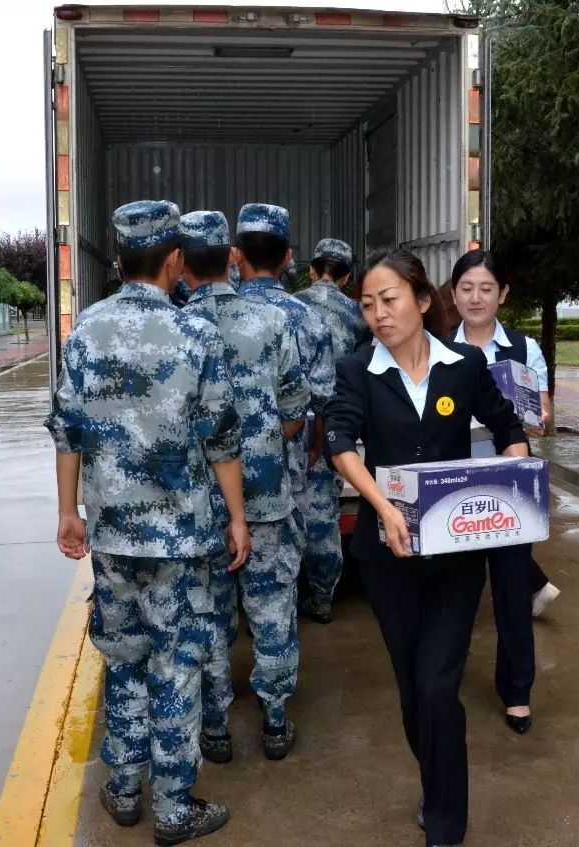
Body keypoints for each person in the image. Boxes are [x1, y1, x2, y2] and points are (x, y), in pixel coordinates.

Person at [48, 200, 249, 845]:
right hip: (183, 539)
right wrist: (238, 519)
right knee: (177, 666)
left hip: (111, 535)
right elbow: (222, 441)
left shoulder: (84, 331)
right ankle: (172, 808)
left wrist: (66, 513)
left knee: (125, 660)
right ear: (172, 260)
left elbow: (68, 433)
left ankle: (124, 789)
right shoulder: (196, 335)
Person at [325, 250, 529, 847]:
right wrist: (384, 509)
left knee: (440, 686)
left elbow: (507, 425)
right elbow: (340, 439)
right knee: (414, 691)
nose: (379, 314)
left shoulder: (464, 366)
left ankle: (446, 822)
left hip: (456, 557)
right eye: (367, 305)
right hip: (386, 560)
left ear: (420, 300)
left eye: (389, 300)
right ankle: (433, 778)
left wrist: (515, 479)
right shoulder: (357, 369)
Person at [178, 210, 310, 762]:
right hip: (265, 495)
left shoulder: (176, 327)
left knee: (207, 613)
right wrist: (261, 444)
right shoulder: (272, 322)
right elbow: (295, 413)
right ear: (229, 256)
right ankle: (275, 722)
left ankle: (214, 727)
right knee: (272, 605)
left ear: (180, 261)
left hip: (197, 504)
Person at [445, 249, 561, 621]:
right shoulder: (437, 347)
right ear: (453, 293)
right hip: (455, 472)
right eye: (466, 288)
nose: (475, 298)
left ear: (503, 294)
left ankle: (515, 673)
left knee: (511, 574)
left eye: (486, 288)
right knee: (458, 581)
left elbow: (545, 415)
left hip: (510, 471)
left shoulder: (524, 348)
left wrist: (535, 418)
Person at [233, 204, 335, 557]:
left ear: (236, 256)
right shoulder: (308, 319)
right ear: (288, 257)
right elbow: (322, 398)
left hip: (216, 475)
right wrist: (316, 446)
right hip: (283, 468)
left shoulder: (212, 317)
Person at [293, 237, 370, 623]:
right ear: (347, 277)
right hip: (334, 425)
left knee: (283, 512)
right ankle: (323, 598)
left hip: (288, 425)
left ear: (312, 269)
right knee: (323, 513)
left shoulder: (291, 308)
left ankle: (281, 599)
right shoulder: (358, 315)